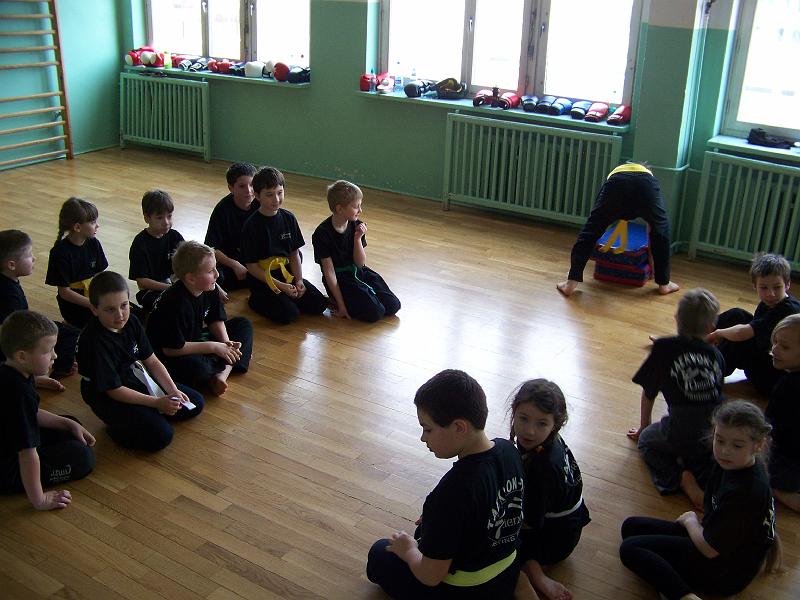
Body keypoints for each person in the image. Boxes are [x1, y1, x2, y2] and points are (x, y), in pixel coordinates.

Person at [366, 369, 526, 599]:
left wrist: (409, 551)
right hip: (507, 574)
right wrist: (438, 521)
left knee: (380, 553)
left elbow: (430, 576)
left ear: (459, 427)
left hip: (467, 591)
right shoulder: (509, 450)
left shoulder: (451, 492)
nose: (423, 438)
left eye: (428, 429)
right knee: (425, 531)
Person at [619, 400, 781, 600]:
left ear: (759, 445)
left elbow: (710, 550)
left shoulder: (746, 491)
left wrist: (690, 521)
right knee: (631, 527)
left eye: (737, 445)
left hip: (724, 571)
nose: (725, 450)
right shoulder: (732, 464)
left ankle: (686, 596)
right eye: (719, 440)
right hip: (716, 540)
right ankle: (671, 577)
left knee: (630, 549)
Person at [77, 271, 204, 451]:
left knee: (195, 402)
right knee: (161, 435)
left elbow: (152, 361)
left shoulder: (131, 322)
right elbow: (114, 390)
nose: (120, 315)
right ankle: (116, 427)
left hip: (131, 377)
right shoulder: (94, 342)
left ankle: (148, 415)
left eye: (124, 305)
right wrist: (156, 403)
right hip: (106, 394)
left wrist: (172, 390)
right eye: (110, 309)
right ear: (94, 309)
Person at [628, 288, 724, 507]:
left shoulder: (663, 347)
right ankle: (698, 467)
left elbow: (649, 391)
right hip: (714, 435)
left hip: (680, 429)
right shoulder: (716, 355)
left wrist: (644, 426)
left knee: (646, 441)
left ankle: (681, 478)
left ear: (676, 318)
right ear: (711, 328)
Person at [0, 310, 95, 509]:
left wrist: (66, 423)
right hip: (7, 467)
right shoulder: (18, 393)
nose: (55, 355)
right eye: (48, 351)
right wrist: (40, 499)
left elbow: (29, 414)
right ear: (22, 356)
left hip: (9, 440)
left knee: (71, 425)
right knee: (83, 458)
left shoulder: (12, 371)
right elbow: (27, 453)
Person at [509, 379, 590, 600]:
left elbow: (529, 522)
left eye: (541, 423)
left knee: (492, 537)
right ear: (514, 412)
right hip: (568, 525)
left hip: (555, 540)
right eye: (523, 419)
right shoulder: (547, 442)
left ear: (555, 424)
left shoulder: (543, 467)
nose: (530, 431)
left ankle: (534, 573)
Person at [556, 162, 680, 297]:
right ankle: (664, 284)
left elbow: (594, 228)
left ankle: (571, 284)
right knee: (661, 229)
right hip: (645, 187)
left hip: (617, 184)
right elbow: (654, 231)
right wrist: (654, 268)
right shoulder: (648, 176)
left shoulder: (617, 172)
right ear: (647, 169)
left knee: (591, 231)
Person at [146, 241, 252, 396]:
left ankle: (220, 375)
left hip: (193, 340)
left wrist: (226, 343)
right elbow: (171, 349)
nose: (217, 274)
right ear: (191, 279)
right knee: (198, 367)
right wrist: (213, 347)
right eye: (210, 271)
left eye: (216, 268)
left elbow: (215, 319)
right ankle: (220, 368)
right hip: (170, 352)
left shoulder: (210, 287)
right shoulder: (175, 303)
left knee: (243, 324)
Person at [241, 166, 327, 324]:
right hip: (263, 278)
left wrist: (299, 281)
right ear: (257, 196)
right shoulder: (251, 226)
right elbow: (252, 267)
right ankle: (256, 300)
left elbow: (294, 253)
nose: (276, 199)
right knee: (289, 315)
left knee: (319, 304)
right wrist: (281, 286)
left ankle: (286, 299)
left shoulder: (288, 218)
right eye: (269, 195)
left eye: (279, 193)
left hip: (285, 273)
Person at [706, 253, 800, 395]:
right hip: (768, 356)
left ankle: (708, 371)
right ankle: (699, 337)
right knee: (737, 315)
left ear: (787, 285)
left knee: (739, 340)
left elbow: (742, 333)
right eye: (764, 288)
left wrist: (718, 333)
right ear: (754, 286)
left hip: (773, 376)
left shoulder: (787, 309)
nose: (771, 294)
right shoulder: (768, 304)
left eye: (777, 287)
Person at [0, 229, 80, 389]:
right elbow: (12, 333)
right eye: (29, 255)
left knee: (66, 332)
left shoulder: (8, 281)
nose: (34, 258)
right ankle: (44, 373)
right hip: (15, 342)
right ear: (11, 265)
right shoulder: (8, 296)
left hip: (18, 332)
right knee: (68, 337)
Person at [311, 180, 400, 322]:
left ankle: (363, 299)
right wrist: (341, 306)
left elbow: (360, 263)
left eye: (360, 205)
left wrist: (357, 239)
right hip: (340, 279)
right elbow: (329, 272)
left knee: (393, 305)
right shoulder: (322, 234)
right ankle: (336, 299)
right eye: (356, 206)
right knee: (376, 313)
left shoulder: (356, 225)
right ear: (340, 209)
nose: (360, 210)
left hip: (358, 271)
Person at [45, 197, 108, 328]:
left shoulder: (93, 243)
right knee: (100, 325)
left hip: (92, 294)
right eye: (93, 222)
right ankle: (70, 323)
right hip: (73, 304)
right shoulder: (60, 252)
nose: (97, 225)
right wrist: (92, 304)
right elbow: (64, 293)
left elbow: (99, 274)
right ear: (77, 227)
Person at [204, 162, 259, 290]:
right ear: (231, 188)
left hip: (254, 256)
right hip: (230, 258)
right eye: (242, 186)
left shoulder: (261, 203)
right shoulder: (222, 209)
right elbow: (211, 248)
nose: (249, 191)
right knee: (217, 277)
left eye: (252, 185)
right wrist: (234, 264)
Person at [128, 189, 185, 312]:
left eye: (169, 216)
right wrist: (170, 288)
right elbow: (142, 281)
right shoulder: (140, 244)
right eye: (160, 218)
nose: (166, 222)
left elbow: (189, 261)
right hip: (151, 290)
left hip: (173, 282)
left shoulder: (174, 236)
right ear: (147, 218)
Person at [765, 314, 800, 512]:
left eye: (785, 347)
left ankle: (780, 492)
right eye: (775, 342)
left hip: (789, 467)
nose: (775, 350)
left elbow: (768, 430)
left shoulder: (788, 386)